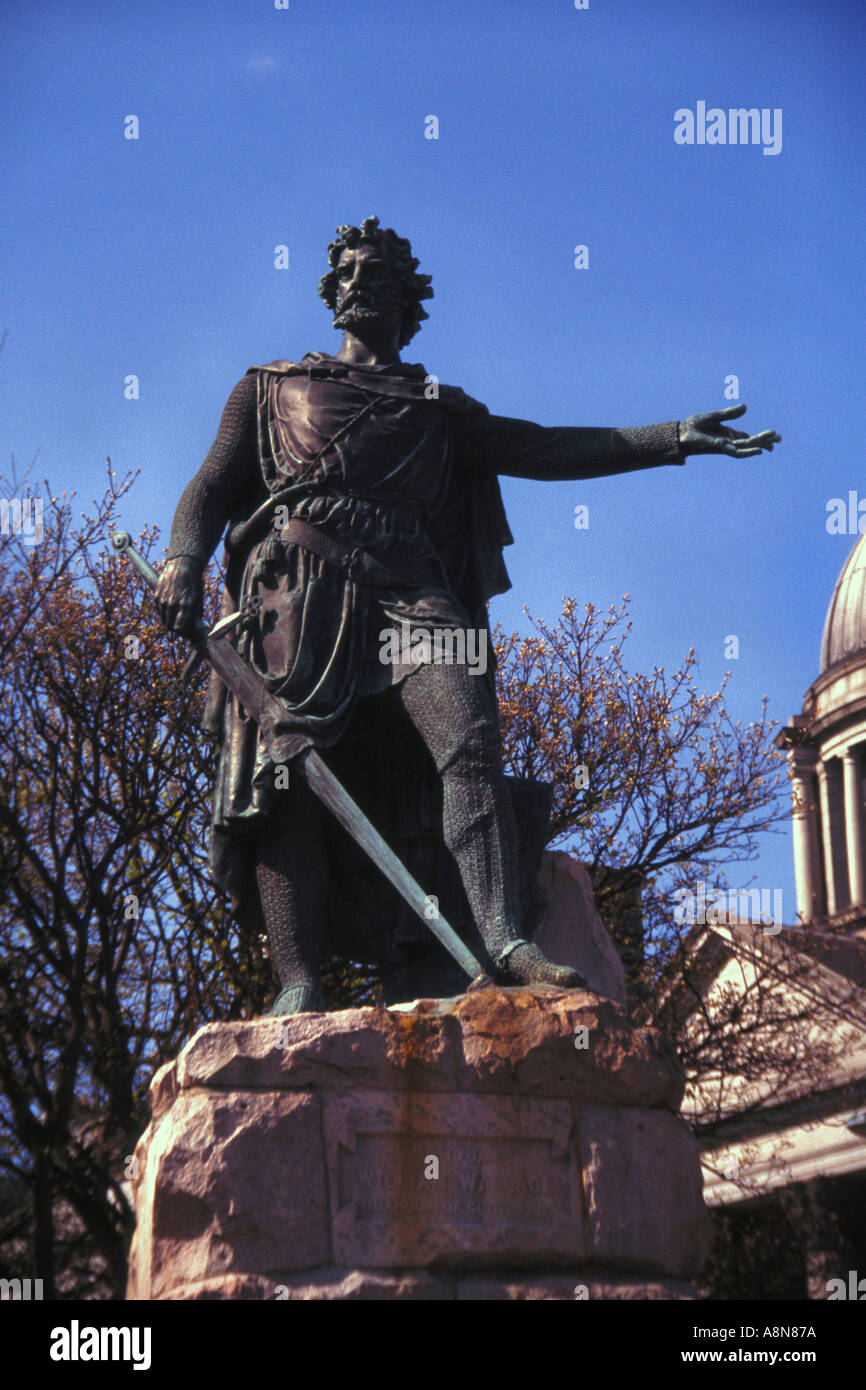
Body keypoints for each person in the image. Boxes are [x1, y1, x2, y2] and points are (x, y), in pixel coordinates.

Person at [155, 216, 780, 1014]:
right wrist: (184, 559)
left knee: (470, 737)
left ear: (409, 298)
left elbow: (548, 448)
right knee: (288, 776)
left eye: (375, 268)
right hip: (299, 591)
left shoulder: (440, 410)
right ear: (329, 293)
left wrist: (673, 438)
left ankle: (502, 939)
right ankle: (300, 981)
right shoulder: (269, 386)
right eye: (345, 269)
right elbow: (209, 485)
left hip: (412, 588)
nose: (357, 280)